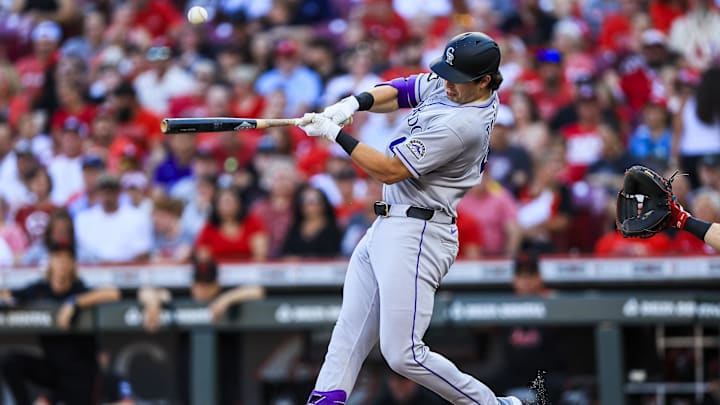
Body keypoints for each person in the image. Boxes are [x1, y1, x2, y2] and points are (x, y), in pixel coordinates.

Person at [295, 32, 521, 405]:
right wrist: (353, 102)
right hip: (388, 225)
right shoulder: (457, 85)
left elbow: (390, 170)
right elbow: (402, 90)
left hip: (419, 232)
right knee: (349, 331)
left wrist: (335, 133)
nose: (447, 83)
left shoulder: (464, 125)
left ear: (484, 81)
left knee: (403, 354)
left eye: (457, 79)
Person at [0, 242, 121, 405]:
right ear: (50, 261)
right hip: (53, 369)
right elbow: (9, 294)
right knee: (10, 362)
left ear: (73, 264)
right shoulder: (39, 289)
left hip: (81, 373)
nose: (61, 264)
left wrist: (74, 303)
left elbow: (113, 292)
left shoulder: (78, 288)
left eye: (66, 259)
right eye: (57, 258)